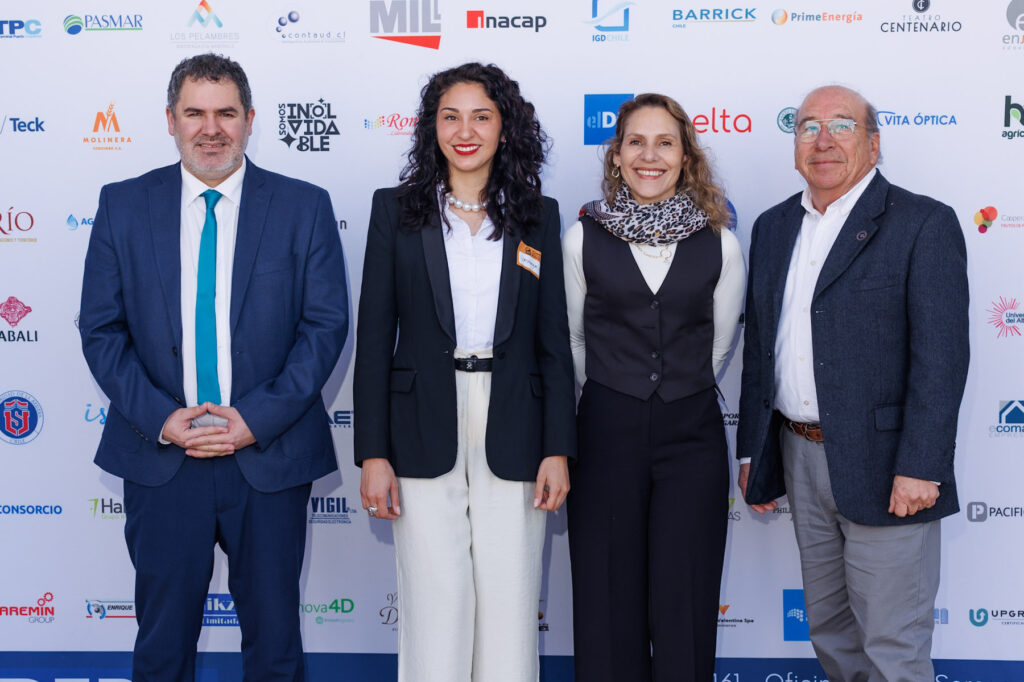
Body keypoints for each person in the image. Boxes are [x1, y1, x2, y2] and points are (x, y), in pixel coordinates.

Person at [78, 53, 348, 682]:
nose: (211, 129)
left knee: (275, 646)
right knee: (162, 648)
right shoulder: (123, 205)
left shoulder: (304, 206)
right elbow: (101, 330)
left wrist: (256, 420)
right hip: (162, 460)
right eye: (194, 113)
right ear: (170, 120)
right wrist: (161, 418)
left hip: (269, 456)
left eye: (226, 113)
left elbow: (325, 327)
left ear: (250, 119)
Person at [353, 62, 576, 682]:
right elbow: (375, 337)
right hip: (422, 420)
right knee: (435, 602)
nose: (465, 131)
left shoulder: (537, 215)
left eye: (482, 116)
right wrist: (372, 453)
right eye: (450, 116)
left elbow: (553, 340)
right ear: (433, 127)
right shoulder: (394, 210)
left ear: (505, 127)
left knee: (510, 602)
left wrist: (558, 448)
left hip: (516, 421)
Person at [737, 85, 969, 681]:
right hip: (799, 455)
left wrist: (922, 465)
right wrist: (752, 451)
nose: (823, 140)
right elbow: (761, 348)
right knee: (832, 635)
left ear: (873, 143)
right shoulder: (773, 227)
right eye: (808, 127)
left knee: (893, 645)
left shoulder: (923, 223)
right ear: (795, 146)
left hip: (889, 467)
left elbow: (942, 358)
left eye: (841, 125)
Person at [563, 93, 746, 681]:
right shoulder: (581, 238)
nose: (650, 156)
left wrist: (674, 385)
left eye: (665, 143)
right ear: (616, 156)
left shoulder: (720, 242)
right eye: (636, 142)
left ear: (685, 156)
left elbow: (719, 344)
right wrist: (616, 391)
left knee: (685, 597)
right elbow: (573, 340)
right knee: (606, 599)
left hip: (691, 436)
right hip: (605, 434)